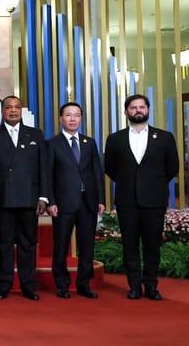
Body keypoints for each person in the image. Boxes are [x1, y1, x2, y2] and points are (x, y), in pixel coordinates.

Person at [103, 94, 179, 300]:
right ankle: (134, 286)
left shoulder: (164, 137)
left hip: (154, 200)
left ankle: (152, 286)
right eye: (133, 107)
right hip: (127, 200)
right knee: (130, 245)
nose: (138, 110)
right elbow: (110, 168)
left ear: (148, 110)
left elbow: (172, 167)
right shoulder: (115, 139)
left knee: (152, 245)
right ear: (126, 112)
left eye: (142, 107)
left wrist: (151, 183)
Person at [0, 95, 48, 300]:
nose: (13, 110)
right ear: (2, 111)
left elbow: (43, 168)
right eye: (8, 107)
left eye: (17, 107)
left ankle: (29, 285)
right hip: (1, 199)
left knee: (28, 243)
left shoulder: (35, 134)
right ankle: (4, 285)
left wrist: (44, 196)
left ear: (21, 110)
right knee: (3, 244)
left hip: (29, 198)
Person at [46, 102, 104, 299]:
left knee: (87, 246)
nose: (72, 119)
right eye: (68, 115)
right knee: (61, 245)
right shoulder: (52, 143)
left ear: (81, 119)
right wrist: (51, 201)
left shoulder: (89, 142)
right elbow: (48, 175)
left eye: (77, 115)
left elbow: (97, 173)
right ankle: (62, 284)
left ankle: (84, 283)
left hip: (88, 202)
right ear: (61, 119)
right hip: (63, 203)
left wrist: (100, 199)